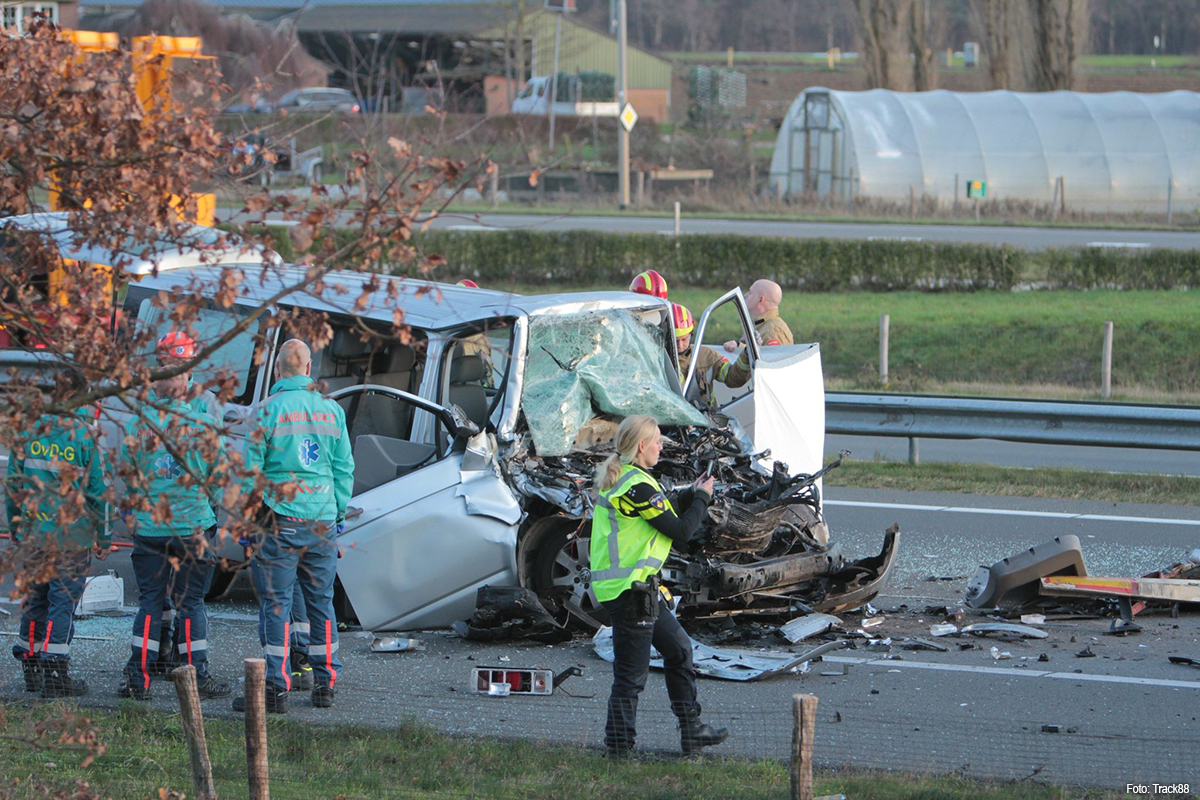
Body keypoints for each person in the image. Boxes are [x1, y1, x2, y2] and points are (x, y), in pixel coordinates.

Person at [591, 415, 729, 757]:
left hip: (639, 590)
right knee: (631, 676)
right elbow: (681, 533)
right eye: (657, 440)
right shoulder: (636, 484)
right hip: (629, 592)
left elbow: (662, 513)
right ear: (641, 446)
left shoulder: (631, 479)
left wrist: (692, 494)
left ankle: (692, 731)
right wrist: (702, 499)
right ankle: (619, 750)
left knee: (680, 650)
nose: (661, 445)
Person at [234, 339, 354, 714]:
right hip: (320, 520)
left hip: (278, 520)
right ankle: (325, 684)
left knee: (276, 605)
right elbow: (342, 470)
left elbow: (250, 476)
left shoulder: (265, 412)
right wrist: (336, 515)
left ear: (277, 371)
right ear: (308, 369)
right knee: (321, 604)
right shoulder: (331, 411)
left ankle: (275, 687)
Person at [118, 333, 232, 701]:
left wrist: (134, 511)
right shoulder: (201, 421)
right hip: (192, 527)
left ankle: (139, 677)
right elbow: (219, 476)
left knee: (150, 603)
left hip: (151, 527)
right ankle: (197, 677)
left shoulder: (139, 421)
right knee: (191, 604)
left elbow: (126, 473)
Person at [6, 369, 108, 698]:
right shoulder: (86, 433)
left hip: (35, 531)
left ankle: (31, 668)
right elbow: (99, 490)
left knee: (35, 600)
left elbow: (13, 486)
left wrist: (16, 526)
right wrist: (104, 535)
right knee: (62, 604)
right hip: (71, 536)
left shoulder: (30, 428)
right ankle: (56, 673)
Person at [723, 279, 793, 388]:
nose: (746, 295)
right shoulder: (761, 325)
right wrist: (739, 346)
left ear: (761, 299)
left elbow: (770, 368)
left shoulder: (773, 330)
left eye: (750, 292)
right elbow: (757, 353)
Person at [672, 303, 732, 406]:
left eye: (684, 339)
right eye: (675, 340)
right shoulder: (659, 359)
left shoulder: (706, 355)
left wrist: (746, 355)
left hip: (706, 418)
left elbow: (733, 377)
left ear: (691, 333)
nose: (680, 345)